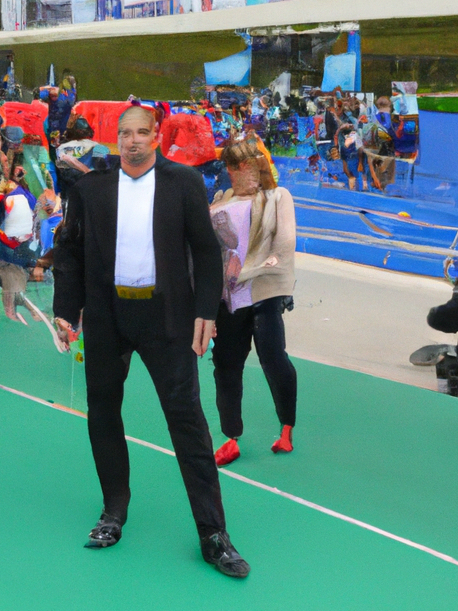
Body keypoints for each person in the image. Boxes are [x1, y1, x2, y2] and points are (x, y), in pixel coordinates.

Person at [53, 105, 249, 578]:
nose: (134, 141)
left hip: (167, 318)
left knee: (188, 422)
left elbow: (206, 251)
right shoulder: (90, 187)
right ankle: (113, 511)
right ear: (115, 137)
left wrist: (206, 310)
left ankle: (213, 534)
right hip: (106, 316)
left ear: (157, 137)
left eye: (142, 133)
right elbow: (70, 250)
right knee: (102, 411)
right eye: (126, 133)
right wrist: (65, 309)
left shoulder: (183, 183)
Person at [208, 140, 297, 468]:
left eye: (239, 166)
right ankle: (231, 436)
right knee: (226, 366)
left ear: (254, 165)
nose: (233, 173)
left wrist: (251, 270)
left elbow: (285, 244)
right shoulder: (220, 201)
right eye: (230, 167)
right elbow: (206, 249)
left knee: (273, 357)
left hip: (264, 293)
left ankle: (286, 426)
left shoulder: (278, 197)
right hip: (227, 298)